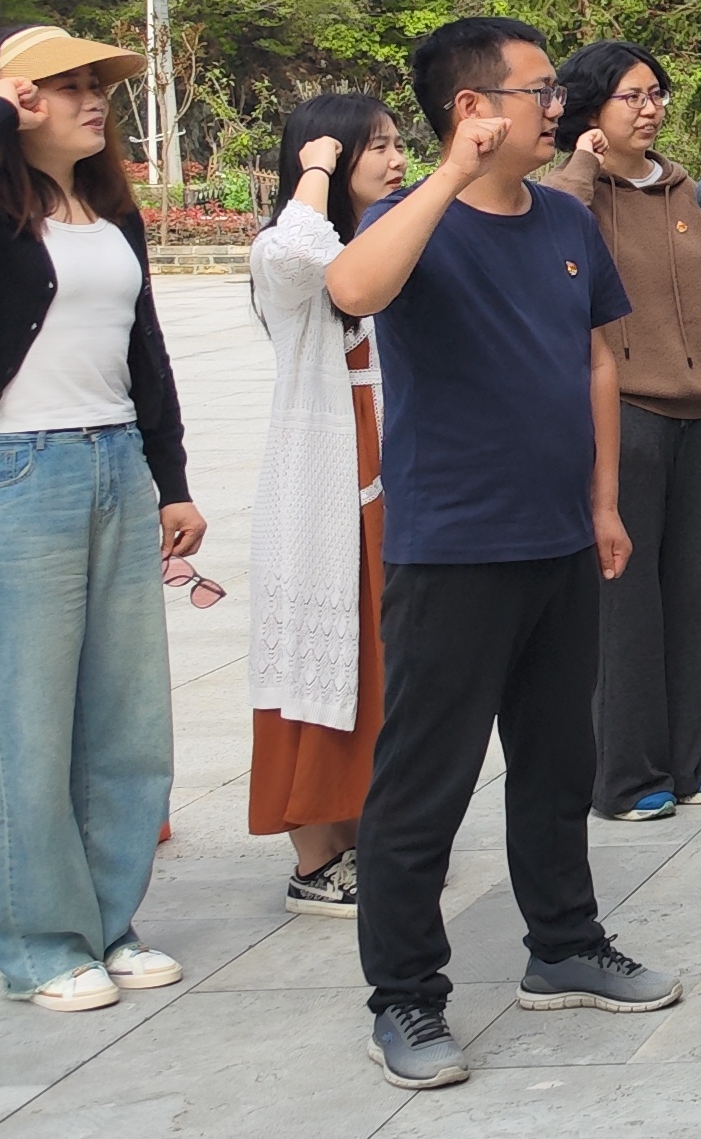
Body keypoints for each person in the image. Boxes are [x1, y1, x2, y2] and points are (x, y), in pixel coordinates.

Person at [329, 17, 679, 1091]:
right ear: (472, 109)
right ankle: (404, 994)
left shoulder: (563, 219)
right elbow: (352, 290)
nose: (556, 106)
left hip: (560, 536)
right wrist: (447, 175)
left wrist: (604, 500)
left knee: (559, 760)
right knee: (423, 782)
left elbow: (597, 361)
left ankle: (563, 943)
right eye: (537, 90)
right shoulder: (410, 218)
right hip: (454, 547)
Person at [0, 24, 209, 1011]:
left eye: (93, 83)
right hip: (15, 475)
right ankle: (39, 945)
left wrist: (171, 478)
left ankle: (108, 923)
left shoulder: (110, 212)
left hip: (114, 464)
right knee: (22, 727)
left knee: (126, 724)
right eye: (60, 86)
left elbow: (144, 351)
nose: (89, 98)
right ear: (11, 102)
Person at [547, 41, 701, 823]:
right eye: (631, 95)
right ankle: (625, 778)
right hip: (625, 414)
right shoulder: (573, 193)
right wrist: (583, 161)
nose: (650, 108)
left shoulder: (680, 188)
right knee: (625, 601)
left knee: (687, 592)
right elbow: (554, 239)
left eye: (656, 93)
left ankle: (687, 763)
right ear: (590, 107)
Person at [246, 93, 407, 918]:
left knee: (381, 667)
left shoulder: (384, 248)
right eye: (374, 146)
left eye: (397, 142)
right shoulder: (290, 260)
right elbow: (292, 249)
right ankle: (315, 858)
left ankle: (368, 839)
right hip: (324, 494)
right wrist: (314, 170)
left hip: (392, 484)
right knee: (321, 666)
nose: (396, 158)